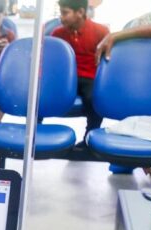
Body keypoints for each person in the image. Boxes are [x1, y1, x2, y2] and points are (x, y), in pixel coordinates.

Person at [51, 0, 109, 144]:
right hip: (66, 78)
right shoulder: (57, 33)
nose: (61, 17)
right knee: (40, 94)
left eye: (65, 13)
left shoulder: (101, 31)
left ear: (80, 12)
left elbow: (107, 61)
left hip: (89, 77)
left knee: (93, 98)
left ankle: (89, 139)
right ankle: (35, 133)